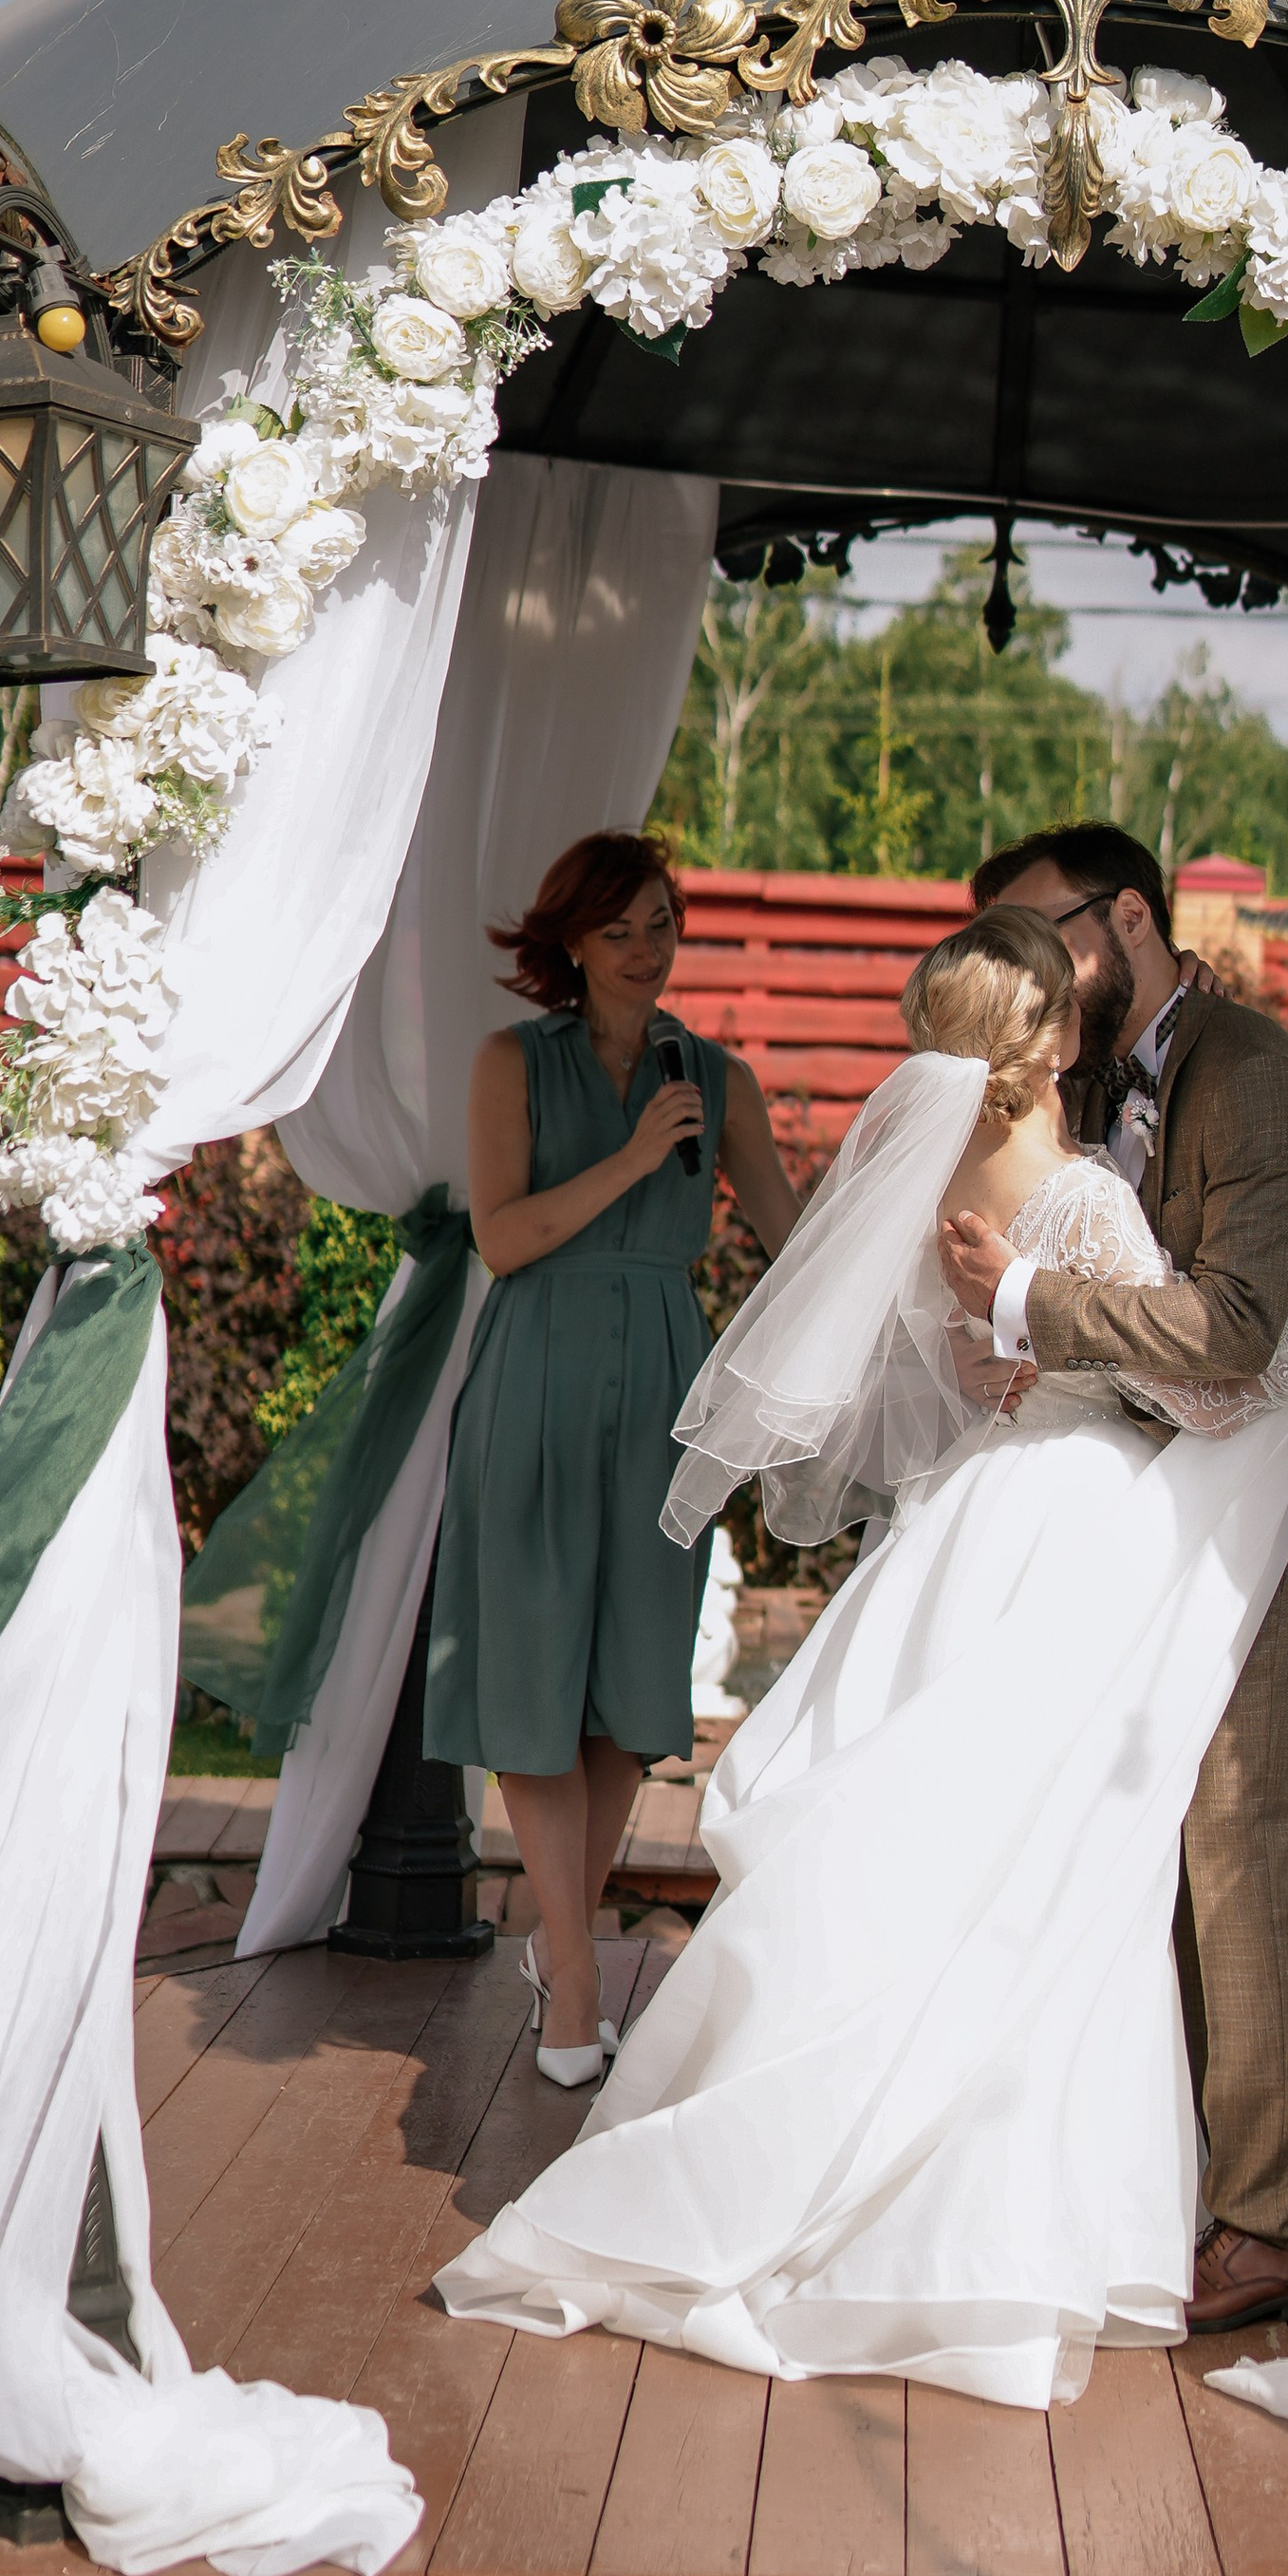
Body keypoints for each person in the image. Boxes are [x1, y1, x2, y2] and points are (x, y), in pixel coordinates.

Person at [434, 908, 1288, 2405]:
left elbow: (970, 1369)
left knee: (946, 1854)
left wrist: (1014, 1352)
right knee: (1044, 1874)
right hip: (1065, 1534)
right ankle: (980, 2213)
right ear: (1049, 1038)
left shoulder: (936, 1184)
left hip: (966, 1522)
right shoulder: (1078, 1198)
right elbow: (1217, 1397)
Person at [943, 825, 1288, 2338]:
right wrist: (1030, 1357)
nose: (1028, 969)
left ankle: (1273, 2227)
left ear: (1132, 918)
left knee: (1236, 1824)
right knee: (1132, 1817)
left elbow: (1229, 1333)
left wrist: (1032, 1302)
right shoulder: (1073, 1075)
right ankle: (1164, 2181)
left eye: (1045, 933)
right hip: (1161, 1480)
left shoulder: (1256, 1072)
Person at [424, 829, 797, 2084]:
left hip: (666, 1392)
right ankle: (576, 1981)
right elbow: (501, 1239)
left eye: (662, 925)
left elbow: (792, 1235)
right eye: (619, 928)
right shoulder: (510, 1063)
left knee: (632, 1684)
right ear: (572, 942)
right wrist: (636, 1159)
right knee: (536, 1664)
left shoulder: (719, 1077)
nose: (646, 950)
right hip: (535, 1376)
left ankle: (560, 1944)